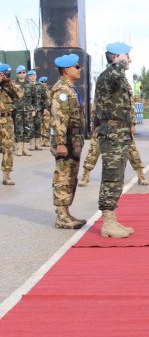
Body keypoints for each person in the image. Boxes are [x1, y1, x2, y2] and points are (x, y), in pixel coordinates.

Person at [94, 42, 136, 238]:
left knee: (117, 174)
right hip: (112, 132)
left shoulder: (116, 76)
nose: (130, 60)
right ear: (117, 57)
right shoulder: (110, 74)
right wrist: (119, 62)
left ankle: (112, 219)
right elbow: (114, 75)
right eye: (127, 56)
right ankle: (108, 222)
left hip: (119, 131)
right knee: (111, 175)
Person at [50, 54, 87, 229]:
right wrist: (60, 143)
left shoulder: (70, 88)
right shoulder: (61, 91)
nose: (80, 69)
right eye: (77, 67)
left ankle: (66, 212)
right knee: (63, 176)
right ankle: (61, 216)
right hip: (66, 140)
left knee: (71, 176)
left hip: (74, 139)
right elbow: (58, 118)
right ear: (67, 70)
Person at [78, 100, 149, 187]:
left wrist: (132, 124)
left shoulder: (123, 87)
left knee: (132, 150)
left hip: (122, 126)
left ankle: (141, 175)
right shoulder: (102, 88)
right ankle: (85, 176)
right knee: (94, 150)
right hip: (103, 125)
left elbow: (131, 107)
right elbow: (96, 105)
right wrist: (93, 121)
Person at [0, 63, 22, 185]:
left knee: (8, 148)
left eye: (6, 74)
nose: (4, 76)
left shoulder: (10, 86)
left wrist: (8, 82)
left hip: (7, 121)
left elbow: (20, 94)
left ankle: (6, 176)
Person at [13, 65, 39, 156]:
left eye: (23, 72)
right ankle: (19, 148)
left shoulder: (30, 84)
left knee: (28, 129)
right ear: (17, 74)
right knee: (18, 129)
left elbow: (35, 98)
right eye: (20, 72)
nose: (22, 74)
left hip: (28, 110)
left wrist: (34, 109)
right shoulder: (13, 84)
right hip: (17, 110)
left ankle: (26, 148)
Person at [38, 76, 52, 147]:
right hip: (40, 110)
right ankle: (40, 141)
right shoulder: (37, 90)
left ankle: (46, 141)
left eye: (45, 82)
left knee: (47, 126)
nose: (44, 83)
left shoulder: (49, 91)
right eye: (42, 82)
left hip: (47, 111)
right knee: (40, 126)